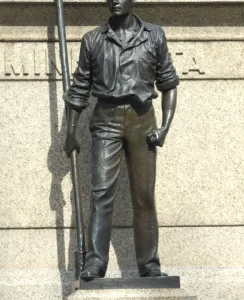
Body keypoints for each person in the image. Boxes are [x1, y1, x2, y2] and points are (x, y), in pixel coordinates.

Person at [63, 0, 179, 280]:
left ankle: (149, 264)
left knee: (144, 195)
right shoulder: (93, 39)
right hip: (106, 119)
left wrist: (164, 127)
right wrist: (70, 131)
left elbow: (169, 83)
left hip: (143, 121)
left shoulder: (154, 35)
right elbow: (80, 87)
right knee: (100, 192)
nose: (114, 0)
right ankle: (95, 262)